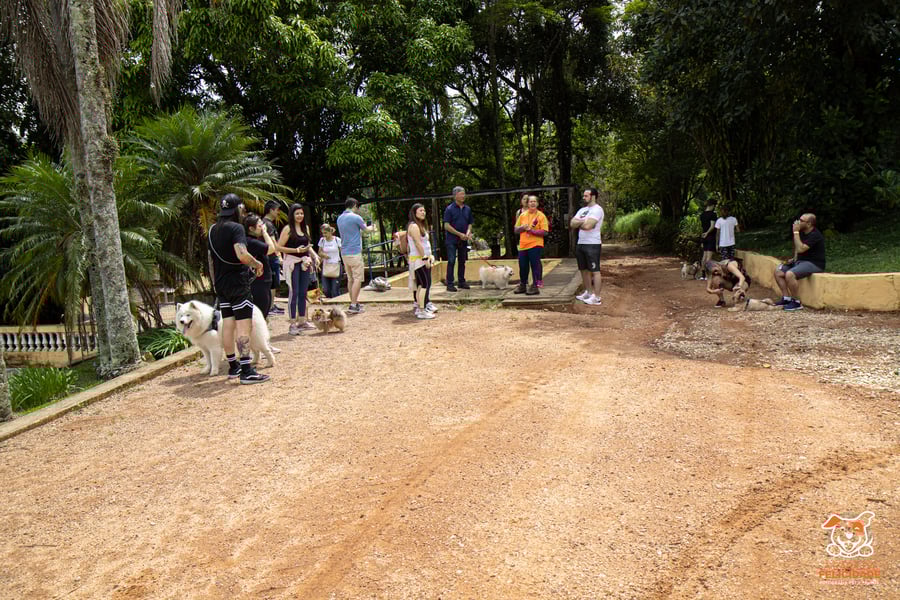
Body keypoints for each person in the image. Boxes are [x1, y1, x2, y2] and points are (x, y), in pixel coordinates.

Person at [206, 194, 269, 384]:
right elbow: (241, 254)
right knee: (243, 324)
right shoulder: (236, 228)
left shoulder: (212, 230)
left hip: (221, 283)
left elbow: (211, 260)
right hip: (237, 282)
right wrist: (257, 263)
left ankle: (234, 366)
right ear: (238, 209)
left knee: (228, 323)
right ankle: (247, 370)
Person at [277, 203, 320, 335]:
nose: (300, 216)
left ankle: (302, 320)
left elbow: (308, 245)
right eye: (297, 213)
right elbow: (278, 247)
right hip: (292, 262)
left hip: (305, 262)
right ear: (292, 215)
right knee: (293, 292)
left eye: (301, 213)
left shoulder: (305, 227)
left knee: (303, 292)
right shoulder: (288, 229)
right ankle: (292, 323)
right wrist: (296, 250)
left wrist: (314, 255)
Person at [773, 213, 826, 311]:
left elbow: (801, 249)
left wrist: (796, 233)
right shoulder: (801, 232)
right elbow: (797, 248)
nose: (798, 222)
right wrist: (794, 258)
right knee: (778, 271)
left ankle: (796, 302)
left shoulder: (815, 235)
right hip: (800, 262)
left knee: (790, 274)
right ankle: (786, 298)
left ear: (809, 224)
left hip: (814, 263)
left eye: (801, 221)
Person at [336, 198, 373, 313]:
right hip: (355, 252)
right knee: (357, 278)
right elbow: (366, 230)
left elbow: (352, 231)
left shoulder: (339, 218)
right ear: (355, 206)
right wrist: (373, 228)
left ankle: (354, 303)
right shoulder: (356, 218)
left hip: (344, 253)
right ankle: (353, 305)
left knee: (350, 278)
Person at [570, 188, 605, 305]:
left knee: (595, 270)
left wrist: (580, 222)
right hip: (581, 243)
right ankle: (589, 292)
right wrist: (583, 221)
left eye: (586, 196)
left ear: (593, 196)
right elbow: (572, 223)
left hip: (592, 244)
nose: (584, 197)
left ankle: (597, 297)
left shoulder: (598, 210)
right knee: (583, 270)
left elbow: (588, 226)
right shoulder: (582, 210)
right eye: (584, 195)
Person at [513, 194, 549, 295]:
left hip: (535, 244)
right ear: (527, 204)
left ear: (537, 203)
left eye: (534, 201)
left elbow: (545, 231)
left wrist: (532, 231)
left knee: (535, 265)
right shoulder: (522, 215)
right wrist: (522, 228)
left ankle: (535, 286)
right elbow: (516, 229)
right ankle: (523, 285)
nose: (532, 203)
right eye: (530, 201)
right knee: (523, 266)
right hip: (523, 245)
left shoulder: (541, 215)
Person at [407, 203, 438, 319]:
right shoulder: (414, 226)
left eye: (424, 210)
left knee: (424, 283)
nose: (423, 212)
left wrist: (429, 256)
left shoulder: (420, 225)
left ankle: (424, 306)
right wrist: (424, 257)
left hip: (424, 258)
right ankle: (421, 309)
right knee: (423, 284)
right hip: (418, 260)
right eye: (420, 210)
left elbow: (424, 243)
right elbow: (417, 243)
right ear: (414, 213)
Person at [244, 213, 277, 319]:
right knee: (260, 314)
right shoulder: (251, 241)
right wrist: (265, 232)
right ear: (251, 228)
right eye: (259, 226)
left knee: (263, 313)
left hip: (263, 281)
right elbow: (271, 248)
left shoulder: (254, 240)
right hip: (258, 283)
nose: (262, 227)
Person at [442, 185, 473, 291]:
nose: (463, 196)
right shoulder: (449, 209)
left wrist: (468, 233)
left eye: (464, 194)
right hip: (452, 240)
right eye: (461, 194)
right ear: (455, 196)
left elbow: (470, 223)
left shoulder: (467, 209)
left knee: (462, 261)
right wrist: (459, 234)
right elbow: (446, 225)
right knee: (451, 260)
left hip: (463, 239)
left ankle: (461, 281)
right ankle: (450, 283)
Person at [262, 201, 285, 314]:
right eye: (277, 210)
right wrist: (279, 255)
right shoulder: (268, 224)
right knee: (272, 282)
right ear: (271, 210)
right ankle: (270, 307)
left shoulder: (265, 222)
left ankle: (271, 304)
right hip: (271, 257)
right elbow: (273, 241)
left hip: (269, 256)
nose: (278, 212)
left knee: (273, 282)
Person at [317, 224, 342, 298]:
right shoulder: (322, 240)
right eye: (323, 233)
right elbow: (319, 252)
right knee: (326, 289)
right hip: (326, 265)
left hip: (336, 265)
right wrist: (324, 255)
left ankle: (336, 302)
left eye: (325, 233)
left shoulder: (337, 240)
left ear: (330, 232)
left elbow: (342, 251)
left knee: (335, 289)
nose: (324, 235)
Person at [699, 199, 717, 280]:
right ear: (712, 205)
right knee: (709, 258)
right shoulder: (713, 214)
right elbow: (712, 226)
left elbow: (702, 226)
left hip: (704, 236)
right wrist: (707, 233)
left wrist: (704, 234)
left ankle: (703, 275)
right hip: (710, 236)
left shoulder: (702, 215)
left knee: (704, 256)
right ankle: (708, 275)